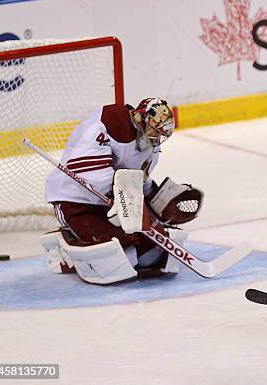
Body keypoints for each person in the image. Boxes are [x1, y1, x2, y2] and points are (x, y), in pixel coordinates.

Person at [41, 98, 203, 285]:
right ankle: (66, 245)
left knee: (153, 256)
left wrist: (155, 197)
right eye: (154, 131)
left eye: (161, 135)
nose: (156, 138)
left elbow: (137, 179)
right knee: (123, 259)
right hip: (76, 201)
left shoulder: (151, 147)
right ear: (141, 119)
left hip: (118, 204)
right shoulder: (111, 121)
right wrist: (120, 194)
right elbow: (84, 169)